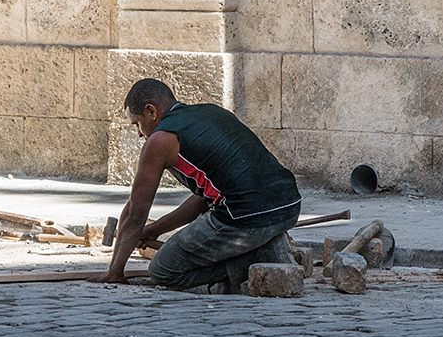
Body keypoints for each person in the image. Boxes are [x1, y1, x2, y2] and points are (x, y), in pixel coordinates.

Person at [88, 78, 301, 290]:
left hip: (244, 217)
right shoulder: (210, 112)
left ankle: (253, 257)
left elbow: (136, 211)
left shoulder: (161, 140)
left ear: (151, 112)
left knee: (162, 270)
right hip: (289, 205)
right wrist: (154, 230)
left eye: (137, 124)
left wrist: (114, 272)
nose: (138, 133)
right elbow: (203, 200)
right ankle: (262, 249)